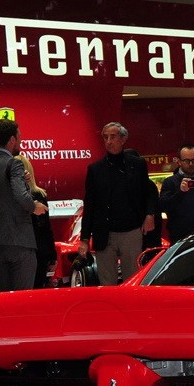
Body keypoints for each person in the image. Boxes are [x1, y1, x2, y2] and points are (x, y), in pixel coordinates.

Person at [79, 122, 158, 285]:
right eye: (105, 137)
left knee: (133, 280)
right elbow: (90, 204)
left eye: (112, 137)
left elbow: (148, 192)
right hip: (104, 232)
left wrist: (150, 214)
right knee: (107, 282)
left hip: (132, 230)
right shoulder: (95, 169)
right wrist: (84, 239)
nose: (108, 141)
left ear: (123, 139)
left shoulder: (138, 164)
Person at [0, 119, 47, 292]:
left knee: (5, 297)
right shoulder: (15, 163)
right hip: (19, 241)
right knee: (23, 297)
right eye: (19, 137)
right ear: (12, 139)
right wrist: (35, 207)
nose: (21, 141)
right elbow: (20, 195)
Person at [18, 154, 55, 288]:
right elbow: (46, 228)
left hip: (25, 249)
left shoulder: (16, 198)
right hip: (39, 250)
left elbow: (45, 227)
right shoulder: (40, 194)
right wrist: (52, 255)